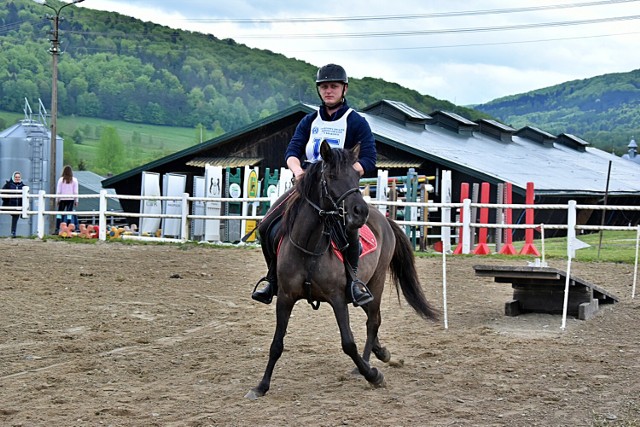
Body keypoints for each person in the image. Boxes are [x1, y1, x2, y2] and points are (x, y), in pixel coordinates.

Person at [252, 63, 377, 306]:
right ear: (319, 90)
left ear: (344, 89)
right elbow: (292, 151)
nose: (329, 91)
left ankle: (353, 282)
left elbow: (369, 157)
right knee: (267, 225)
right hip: (308, 186)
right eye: (324, 87)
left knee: (351, 229)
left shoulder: (356, 122)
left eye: (334, 86)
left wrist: (345, 176)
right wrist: (298, 172)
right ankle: (272, 279)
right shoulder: (309, 121)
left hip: (338, 189)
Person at [55, 165, 79, 234]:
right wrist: (76, 200)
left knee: (59, 214)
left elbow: (58, 191)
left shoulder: (61, 180)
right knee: (69, 214)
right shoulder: (74, 180)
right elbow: (75, 191)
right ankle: (69, 227)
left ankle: (57, 228)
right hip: (70, 199)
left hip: (62, 199)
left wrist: (57, 200)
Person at [2, 171, 25, 237]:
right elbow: (3, 193)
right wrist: (7, 201)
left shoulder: (23, 186)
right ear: (13, 177)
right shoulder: (8, 185)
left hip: (18, 206)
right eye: (16, 177)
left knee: (15, 218)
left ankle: (13, 232)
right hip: (9, 205)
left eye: (18, 177)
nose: (17, 178)